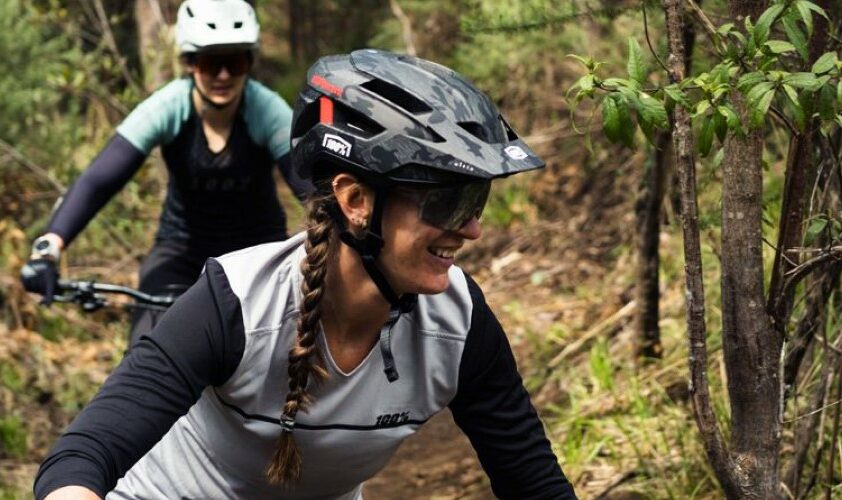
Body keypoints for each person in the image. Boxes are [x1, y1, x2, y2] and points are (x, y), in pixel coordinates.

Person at [33, 49, 576, 500]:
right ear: (357, 200)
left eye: (476, 201)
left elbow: (533, 482)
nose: (473, 230)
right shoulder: (237, 303)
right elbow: (83, 455)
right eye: (448, 203)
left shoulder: (458, 322)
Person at [25, 0, 310, 343]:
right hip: (182, 249)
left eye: (234, 62)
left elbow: (309, 187)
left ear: (249, 62)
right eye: (210, 62)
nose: (222, 75)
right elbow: (99, 180)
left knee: (281, 356)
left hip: (259, 250)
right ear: (190, 63)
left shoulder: (267, 109)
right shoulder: (168, 106)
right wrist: (48, 248)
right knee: (148, 348)